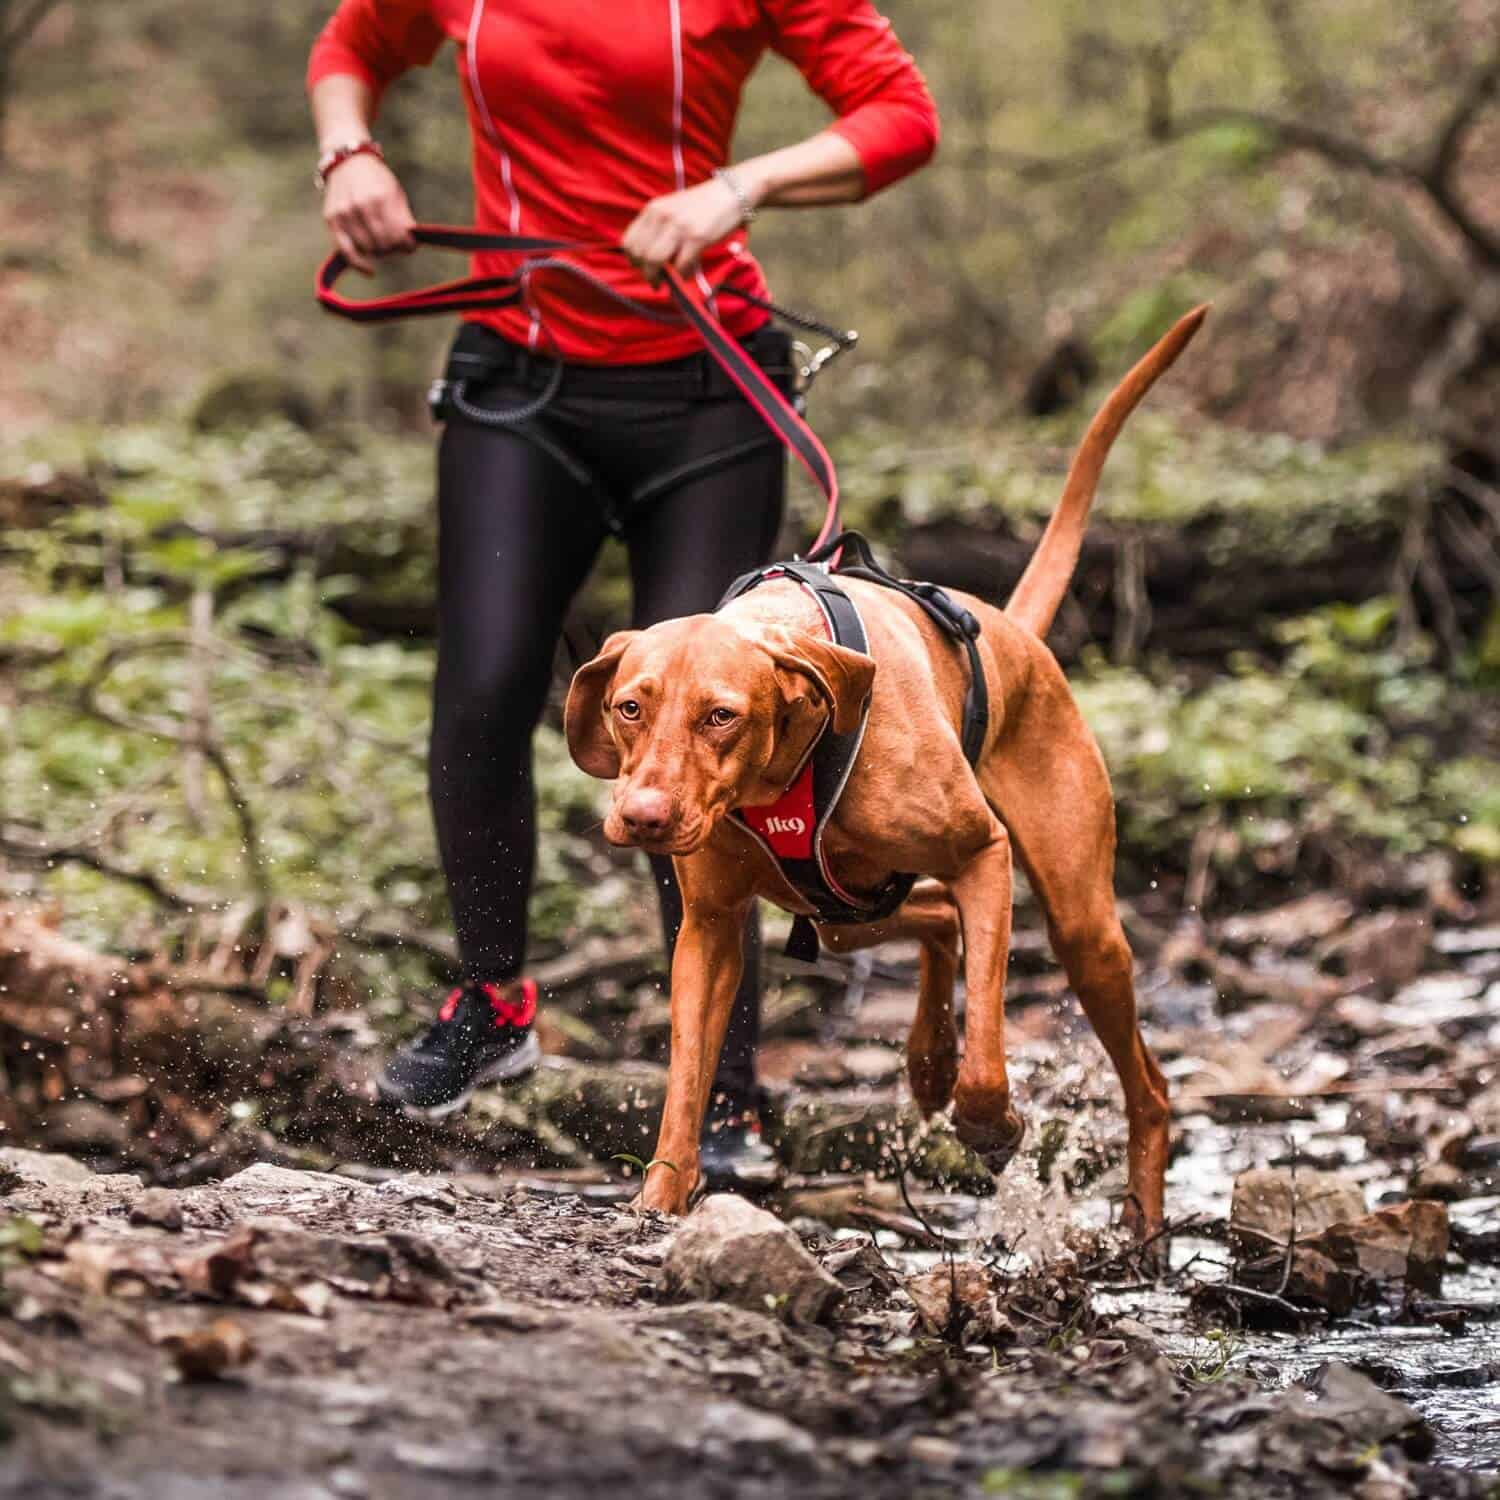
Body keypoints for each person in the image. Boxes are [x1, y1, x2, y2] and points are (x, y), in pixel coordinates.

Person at [307, 0, 938, 1180]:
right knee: (487, 684)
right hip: (518, 378)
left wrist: (737, 190)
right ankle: (491, 1005)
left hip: (708, 386)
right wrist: (351, 148)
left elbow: (901, 120)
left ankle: (727, 1100)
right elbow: (355, 45)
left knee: (706, 723)